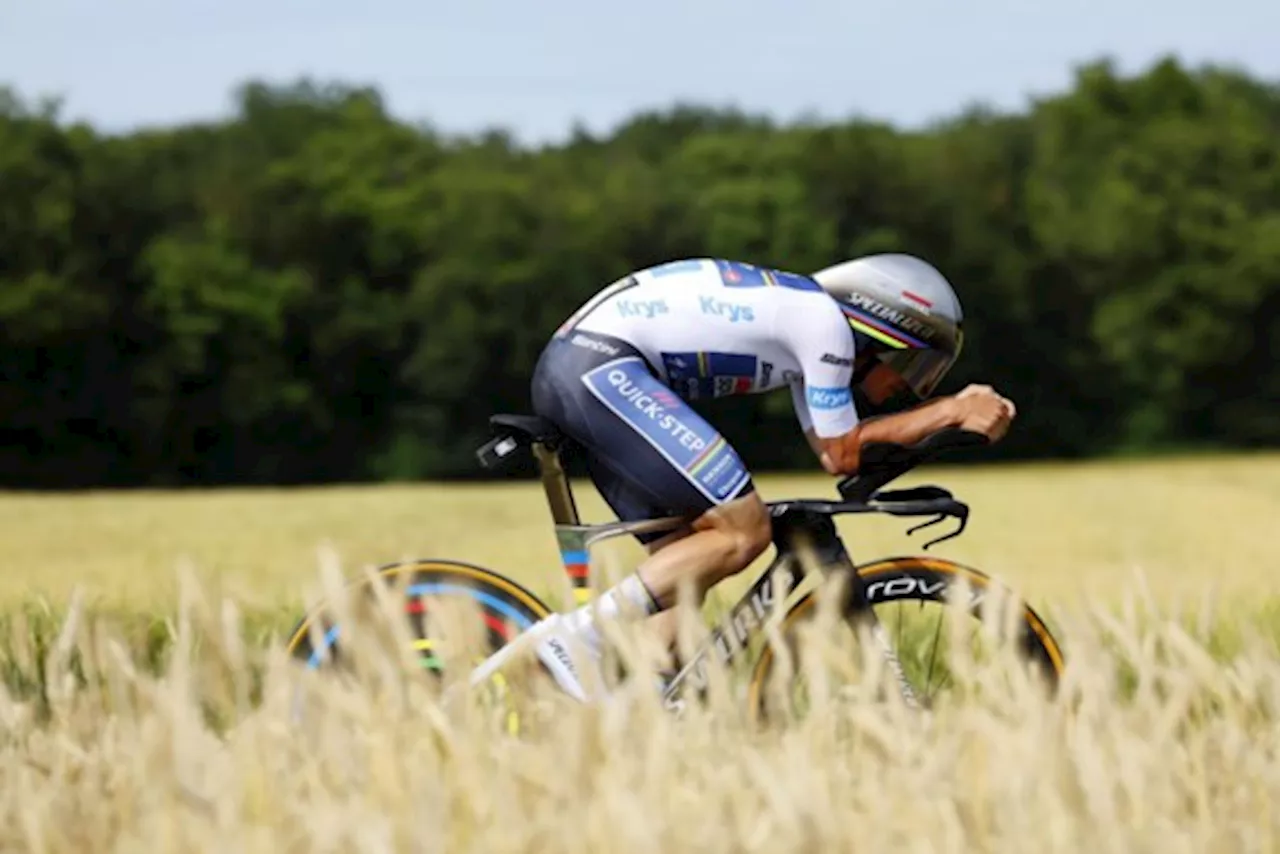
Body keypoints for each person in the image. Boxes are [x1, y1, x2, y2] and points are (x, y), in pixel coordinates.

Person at [471, 255, 1016, 701]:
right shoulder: (824, 326)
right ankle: (578, 639)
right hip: (602, 367)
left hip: (591, 366)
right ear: (883, 325)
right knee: (743, 532)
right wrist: (949, 410)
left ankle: (643, 706)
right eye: (909, 365)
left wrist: (933, 430)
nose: (901, 383)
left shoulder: (810, 331)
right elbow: (844, 446)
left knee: (687, 569)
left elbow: (839, 460)